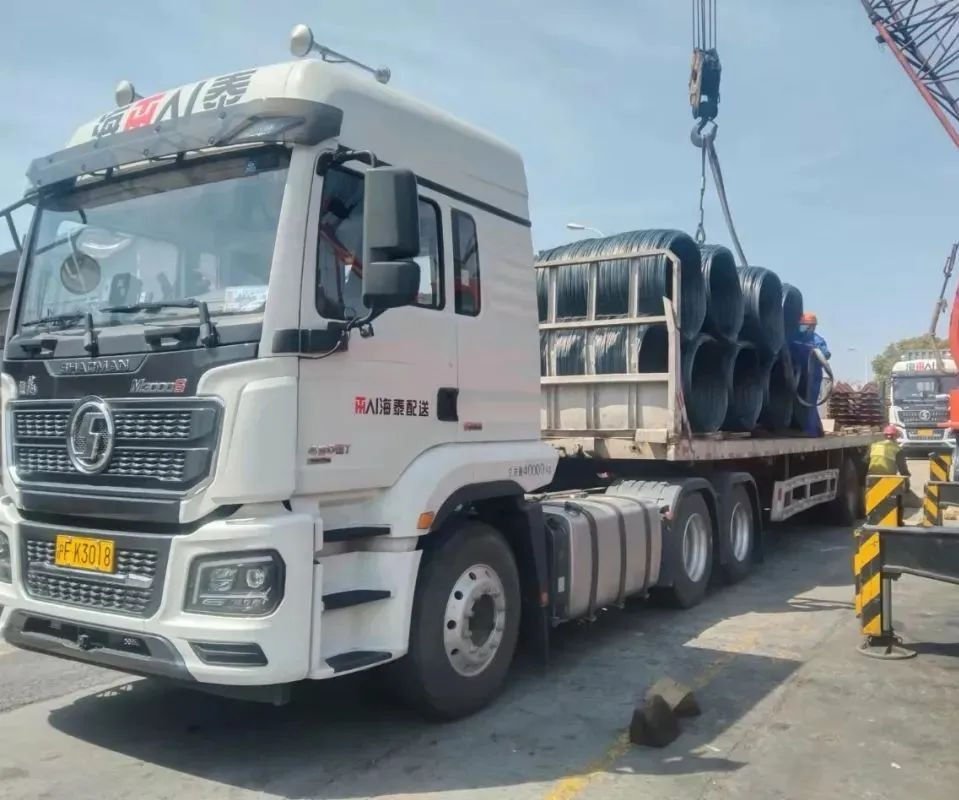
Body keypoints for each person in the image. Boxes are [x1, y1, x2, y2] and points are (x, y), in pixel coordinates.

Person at [795, 312, 831, 436]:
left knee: (810, 402)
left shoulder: (817, 340)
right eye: (801, 324)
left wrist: (815, 352)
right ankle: (816, 428)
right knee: (799, 401)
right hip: (799, 374)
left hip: (813, 375)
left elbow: (826, 355)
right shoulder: (797, 338)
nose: (802, 327)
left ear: (812, 327)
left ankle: (811, 432)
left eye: (804, 325)